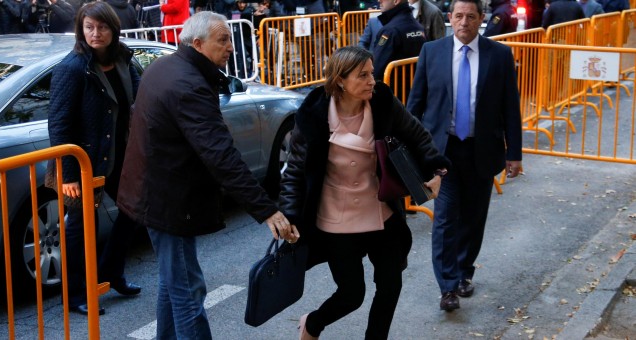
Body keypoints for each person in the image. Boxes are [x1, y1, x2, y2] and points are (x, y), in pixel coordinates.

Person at [116, 11, 299, 339]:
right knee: (187, 291)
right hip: (166, 200)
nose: (230, 46)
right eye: (223, 40)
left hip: (156, 195)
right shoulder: (187, 84)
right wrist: (266, 209)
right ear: (197, 44)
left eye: (230, 38)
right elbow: (222, 156)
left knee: (174, 286)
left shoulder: (168, 67)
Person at [279, 46, 450, 340]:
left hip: (381, 212)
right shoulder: (313, 115)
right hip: (337, 218)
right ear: (340, 80)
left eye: (372, 72)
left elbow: (416, 134)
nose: (372, 80)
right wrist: (290, 215)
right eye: (363, 75)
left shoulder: (382, 101)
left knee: (390, 284)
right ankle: (312, 324)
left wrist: (437, 169)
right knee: (351, 294)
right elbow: (295, 171)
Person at [406, 0, 522, 312]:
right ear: (450, 18)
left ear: (481, 19)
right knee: (444, 219)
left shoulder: (499, 55)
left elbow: (510, 107)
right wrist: (406, 149)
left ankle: (463, 272)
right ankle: (447, 287)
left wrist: (515, 154)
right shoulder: (432, 52)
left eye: (471, 16)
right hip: (442, 152)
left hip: (482, 149)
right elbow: (415, 105)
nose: (464, 22)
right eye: (458, 16)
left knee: (473, 218)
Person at [47, 1, 143, 316]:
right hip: (82, 161)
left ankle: (112, 273)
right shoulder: (72, 68)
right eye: (89, 27)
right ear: (81, 29)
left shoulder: (123, 60)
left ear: (113, 29)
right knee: (79, 227)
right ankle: (74, 295)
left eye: (101, 27)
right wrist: (69, 174)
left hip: (117, 157)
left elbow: (139, 101)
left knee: (133, 210)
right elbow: (59, 126)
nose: (95, 33)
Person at [372, 0, 426, 80]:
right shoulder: (418, 27)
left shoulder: (390, 31)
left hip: (393, 89)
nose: (379, 0)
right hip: (415, 87)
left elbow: (376, 68)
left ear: (396, 1)